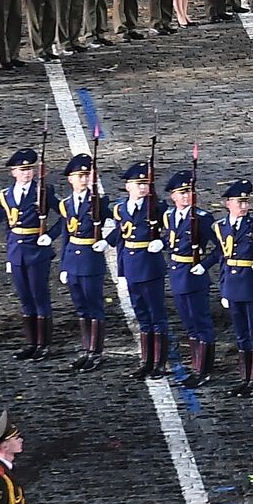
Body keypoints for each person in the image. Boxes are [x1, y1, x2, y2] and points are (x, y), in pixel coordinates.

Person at [112, 162, 170, 380]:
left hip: (150, 266)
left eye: (146, 183)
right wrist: (120, 271)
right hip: (131, 265)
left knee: (157, 314)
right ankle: (146, 361)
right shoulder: (120, 209)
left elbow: (175, 229)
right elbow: (120, 240)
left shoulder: (157, 206)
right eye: (138, 184)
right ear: (128, 186)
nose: (143, 188)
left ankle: (160, 362)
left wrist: (162, 242)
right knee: (142, 315)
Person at [0, 148, 55, 360]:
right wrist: (9, 255)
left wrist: (50, 235)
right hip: (16, 252)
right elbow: (8, 225)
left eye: (29, 169)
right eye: (22, 170)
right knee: (24, 298)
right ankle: (31, 342)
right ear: (13, 172)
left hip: (37, 250)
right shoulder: (6, 194)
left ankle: (44, 344)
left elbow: (66, 214)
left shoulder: (44, 191)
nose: (26, 173)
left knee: (40, 296)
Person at [54, 153, 110, 371]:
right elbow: (66, 235)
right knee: (80, 307)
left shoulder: (98, 202)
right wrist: (63, 265)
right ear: (70, 179)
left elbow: (120, 223)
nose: (83, 180)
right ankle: (86, 348)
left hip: (90, 260)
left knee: (94, 306)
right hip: (73, 261)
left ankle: (96, 351)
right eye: (79, 176)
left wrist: (106, 241)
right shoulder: (66, 204)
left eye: (86, 176)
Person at [214, 179, 253, 395]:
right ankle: (245, 376)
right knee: (241, 334)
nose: (244, 206)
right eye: (239, 202)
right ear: (228, 203)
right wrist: (223, 287)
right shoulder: (220, 226)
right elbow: (223, 259)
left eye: (246, 202)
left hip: (252, 285)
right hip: (233, 286)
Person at [162, 170, 215, 383]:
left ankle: (204, 370)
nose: (186, 196)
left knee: (200, 321)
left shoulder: (202, 218)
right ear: (173, 196)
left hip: (194, 276)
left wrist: (204, 265)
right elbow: (172, 240)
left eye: (189, 192)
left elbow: (221, 248)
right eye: (181, 193)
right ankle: (196, 365)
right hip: (177, 274)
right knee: (188, 322)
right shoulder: (169, 216)